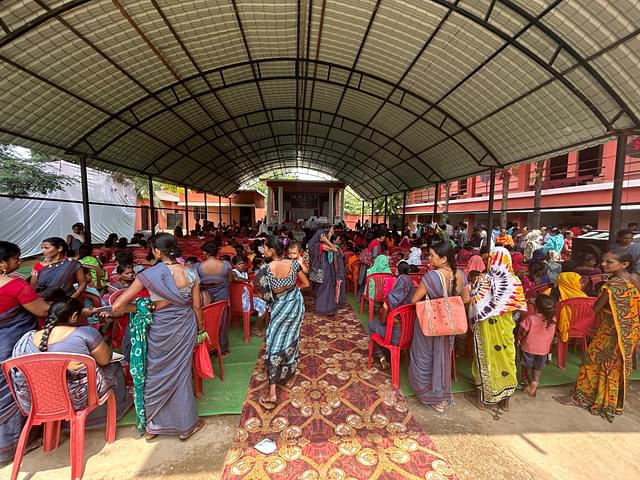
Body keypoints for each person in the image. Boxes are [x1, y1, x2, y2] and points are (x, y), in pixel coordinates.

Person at [111, 233, 204, 440]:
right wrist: (200, 329)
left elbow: (117, 305)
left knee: (155, 372)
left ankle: (153, 426)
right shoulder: (191, 273)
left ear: (157, 251)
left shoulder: (148, 275)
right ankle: (185, 426)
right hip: (185, 325)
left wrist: (145, 306)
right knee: (181, 374)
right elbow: (197, 306)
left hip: (159, 327)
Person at [11, 298, 131, 430]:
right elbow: (104, 360)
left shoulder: (27, 339)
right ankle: (118, 409)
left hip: (41, 400)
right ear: (74, 316)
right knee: (114, 366)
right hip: (78, 398)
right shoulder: (84, 333)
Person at [555, 249, 640, 422]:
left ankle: (581, 397)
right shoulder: (635, 279)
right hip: (629, 332)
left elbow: (595, 309)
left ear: (624, 264)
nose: (603, 264)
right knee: (615, 365)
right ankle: (609, 402)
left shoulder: (611, 286)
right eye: (603, 261)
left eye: (609, 262)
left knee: (591, 361)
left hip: (610, 331)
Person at [0, 242, 51, 463]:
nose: (19, 262)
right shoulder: (15, 286)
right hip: (10, 347)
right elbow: (41, 309)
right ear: (2, 264)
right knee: (14, 392)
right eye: (15, 259)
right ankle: (17, 442)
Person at [410, 241, 469, 413]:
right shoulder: (461, 275)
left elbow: (414, 300)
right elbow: (466, 299)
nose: (429, 258)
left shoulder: (432, 277)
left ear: (443, 259)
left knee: (424, 358)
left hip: (430, 323)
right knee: (442, 358)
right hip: (449, 326)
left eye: (432, 255)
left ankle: (429, 395)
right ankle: (441, 396)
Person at [468, 247, 527, 411]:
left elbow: (475, 304)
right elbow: (517, 307)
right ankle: (505, 402)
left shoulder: (483, 279)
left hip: (485, 326)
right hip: (505, 327)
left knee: (484, 356)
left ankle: (481, 400)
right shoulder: (514, 281)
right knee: (506, 358)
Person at [255, 236, 309, 410]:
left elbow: (266, 297)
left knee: (273, 341)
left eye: (265, 248)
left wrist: (278, 301)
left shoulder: (263, 271)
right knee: (292, 338)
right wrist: (292, 291)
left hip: (279, 307)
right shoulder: (293, 265)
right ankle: (289, 373)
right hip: (295, 304)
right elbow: (306, 283)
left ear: (271, 250)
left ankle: (272, 391)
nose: (264, 251)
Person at [369, 262, 415, 369]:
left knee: (373, 324)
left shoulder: (391, 300)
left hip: (396, 336)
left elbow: (384, 321)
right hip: (410, 335)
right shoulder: (413, 294)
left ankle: (381, 357)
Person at [519, 294, 557, 397]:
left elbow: (523, 333)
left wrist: (520, 339)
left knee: (528, 367)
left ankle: (531, 384)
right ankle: (536, 381)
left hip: (529, 348)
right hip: (543, 349)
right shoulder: (553, 320)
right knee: (537, 368)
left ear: (537, 307)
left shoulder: (530, 318)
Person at [230, 255, 267, 336]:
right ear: (234, 265)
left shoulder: (244, 273)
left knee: (265, 304)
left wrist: (253, 294)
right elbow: (235, 279)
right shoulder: (233, 272)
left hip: (247, 298)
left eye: (243, 263)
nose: (242, 265)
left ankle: (256, 327)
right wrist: (248, 280)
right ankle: (254, 329)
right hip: (239, 301)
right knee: (263, 307)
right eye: (239, 264)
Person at [308, 227, 340, 315]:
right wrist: (327, 240)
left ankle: (322, 307)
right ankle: (323, 309)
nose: (324, 236)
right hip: (324, 269)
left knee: (320, 289)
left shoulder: (314, 245)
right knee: (325, 289)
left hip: (317, 269)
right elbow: (335, 249)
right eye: (323, 235)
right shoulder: (322, 245)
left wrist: (329, 236)